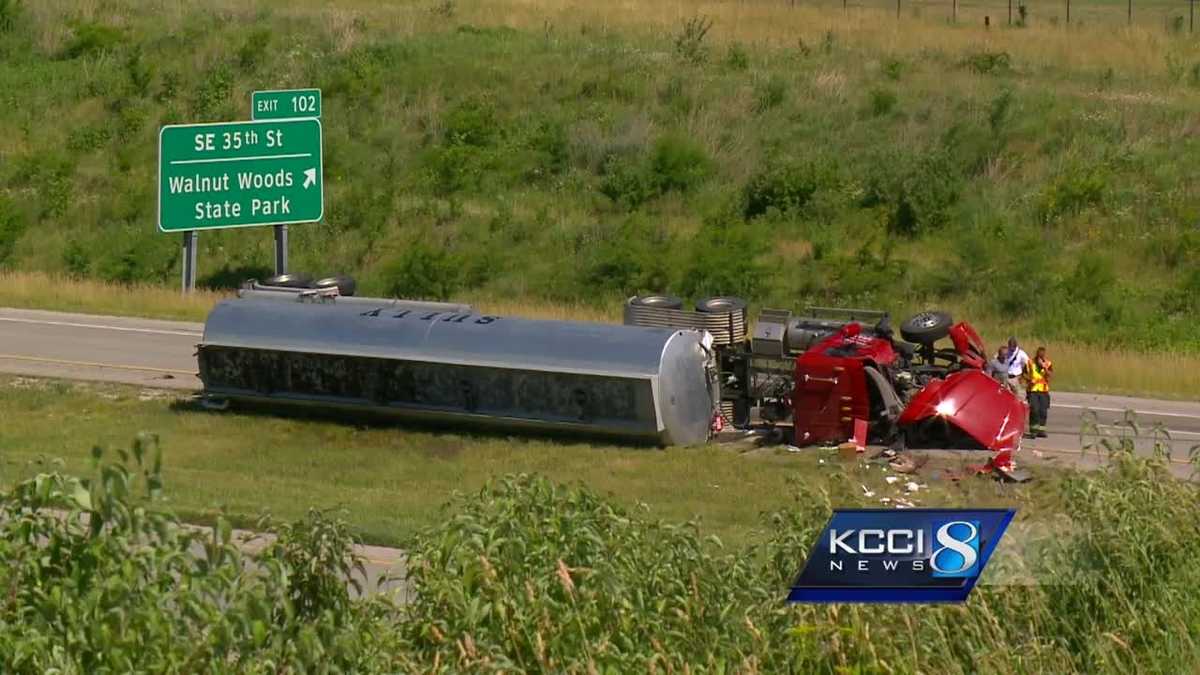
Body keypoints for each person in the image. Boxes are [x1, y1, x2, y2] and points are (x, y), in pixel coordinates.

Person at [1025, 346, 1053, 438]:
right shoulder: (1030, 362)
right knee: (1034, 410)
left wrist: (1044, 367)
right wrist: (1029, 380)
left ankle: (1041, 430)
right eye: (1039, 356)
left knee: (1043, 411)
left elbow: (1050, 375)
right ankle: (1033, 430)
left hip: (1043, 390)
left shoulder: (1048, 363)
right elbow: (1023, 374)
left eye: (1042, 356)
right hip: (1033, 390)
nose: (1041, 358)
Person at [1004, 337, 1029, 402]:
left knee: (1019, 397)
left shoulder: (1021, 353)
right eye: (1010, 348)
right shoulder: (1005, 352)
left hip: (1017, 378)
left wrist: (1023, 375)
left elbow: (1028, 364)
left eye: (1013, 349)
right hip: (1006, 377)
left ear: (1016, 346)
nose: (1012, 350)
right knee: (1006, 396)